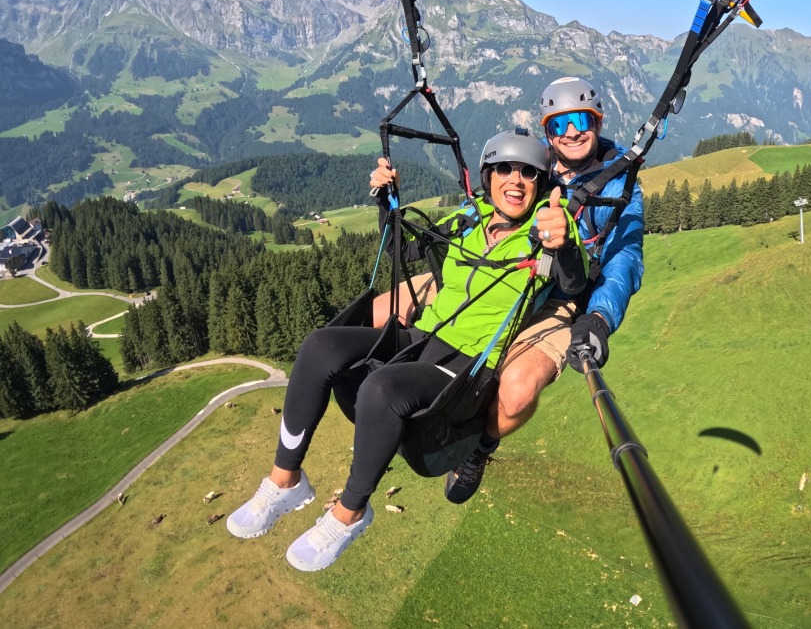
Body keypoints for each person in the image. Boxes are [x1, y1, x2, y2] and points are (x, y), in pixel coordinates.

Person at [226, 128, 586, 571]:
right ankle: (285, 480)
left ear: (541, 183)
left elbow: (573, 282)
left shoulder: (548, 229)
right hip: (425, 337)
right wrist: (387, 201)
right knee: (320, 345)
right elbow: (402, 247)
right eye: (506, 169)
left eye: (529, 172)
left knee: (380, 388)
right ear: (488, 177)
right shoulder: (468, 222)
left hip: (467, 366)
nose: (517, 180)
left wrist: (563, 242)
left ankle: (350, 512)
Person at [444, 76, 645, 503]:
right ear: (546, 129)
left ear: (598, 120)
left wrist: (600, 316)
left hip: (562, 298)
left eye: (580, 120)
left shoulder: (618, 184)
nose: (571, 132)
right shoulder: (533, 163)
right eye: (559, 124)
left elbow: (624, 258)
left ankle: (478, 450)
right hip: (509, 271)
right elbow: (489, 202)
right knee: (397, 306)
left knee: (516, 389)